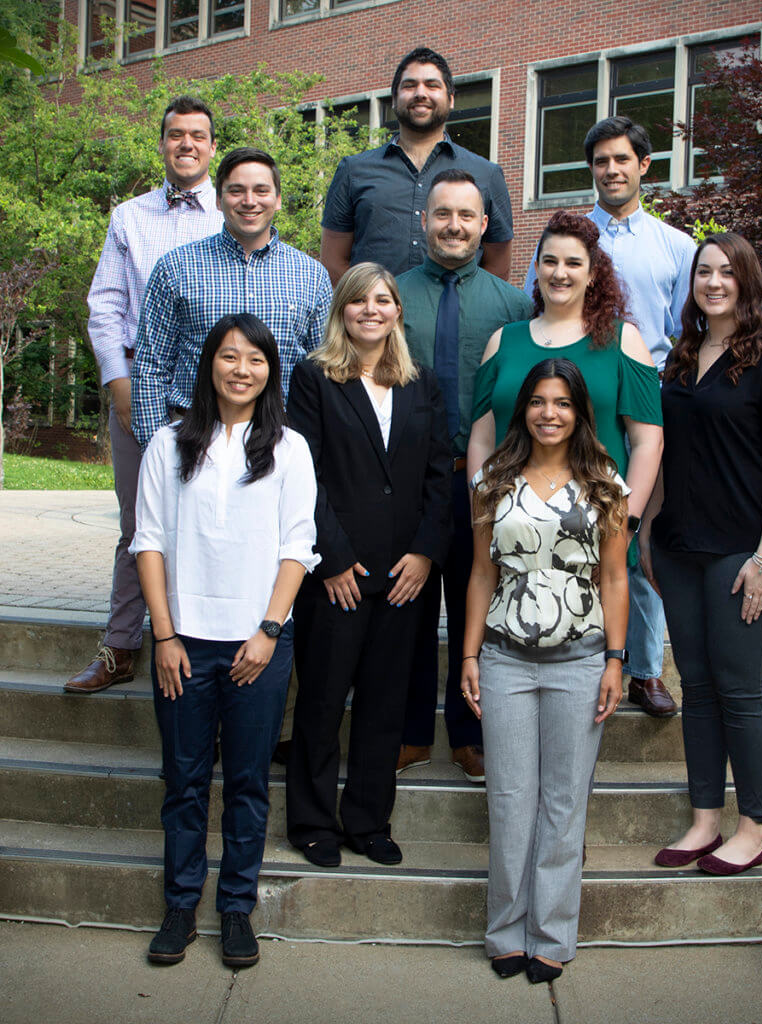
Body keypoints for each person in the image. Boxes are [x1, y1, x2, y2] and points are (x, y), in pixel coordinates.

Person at [131, 313, 319, 967]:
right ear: (209, 363)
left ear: (271, 371)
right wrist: (163, 635)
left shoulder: (289, 449)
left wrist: (268, 631)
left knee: (245, 783)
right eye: (230, 357)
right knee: (182, 781)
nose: (242, 370)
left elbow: (298, 548)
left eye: (256, 360)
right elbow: (148, 542)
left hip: (257, 648)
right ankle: (180, 905)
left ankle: (236, 909)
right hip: (184, 644)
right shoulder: (168, 443)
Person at [643, 233, 762, 874]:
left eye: (726, 272)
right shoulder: (682, 360)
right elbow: (665, 456)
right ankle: (704, 820)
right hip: (681, 546)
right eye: (703, 272)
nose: (713, 282)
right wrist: (648, 532)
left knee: (740, 690)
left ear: (747, 281)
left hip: (743, 551)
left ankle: (754, 827)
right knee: (699, 688)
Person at [462, 358, 629, 982]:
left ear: (579, 411)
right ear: (523, 409)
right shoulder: (494, 480)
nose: (549, 413)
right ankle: (505, 931)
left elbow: (614, 576)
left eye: (561, 402)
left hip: (581, 660)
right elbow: (482, 574)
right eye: (537, 401)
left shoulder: (605, 482)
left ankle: (552, 936)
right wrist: (471, 654)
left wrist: (617, 659)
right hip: (505, 658)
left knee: (564, 803)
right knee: (509, 798)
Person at [524, 116, 696, 717]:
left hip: (641, 398)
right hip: (566, 397)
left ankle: (644, 666)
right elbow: (536, 308)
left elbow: (685, 333)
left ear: (644, 166)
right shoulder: (566, 240)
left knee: (633, 535)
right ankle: (556, 643)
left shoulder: (676, 246)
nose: (611, 171)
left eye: (622, 159)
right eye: (600, 162)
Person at [285, 263, 451, 869]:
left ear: (398, 311)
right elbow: (304, 477)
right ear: (342, 310)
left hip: (405, 577)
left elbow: (440, 475)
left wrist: (427, 553)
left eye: (383, 301)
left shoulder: (422, 385)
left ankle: (368, 820)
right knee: (323, 702)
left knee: (385, 705)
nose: (371, 311)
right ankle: (310, 820)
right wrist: (331, 559)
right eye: (359, 301)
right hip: (337, 577)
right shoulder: (313, 379)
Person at [66, 96, 223, 694]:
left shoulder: (232, 210)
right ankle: (121, 646)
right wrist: (117, 381)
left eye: (198, 136)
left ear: (212, 146)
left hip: (215, 391)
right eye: (175, 135)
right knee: (140, 521)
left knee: (212, 519)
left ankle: (203, 643)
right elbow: (104, 304)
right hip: (140, 384)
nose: (186, 144)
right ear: (161, 144)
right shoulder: (129, 217)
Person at [395, 169, 534, 783]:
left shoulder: (513, 307)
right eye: (442, 213)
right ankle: (410, 732)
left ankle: (470, 734)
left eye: (466, 216)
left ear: (484, 225)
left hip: (485, 481)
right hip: (408, 484)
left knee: (479, 607)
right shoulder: (390, 297)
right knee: (412, 613)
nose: (454, 225)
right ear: (423, 221)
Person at [468, 211, 662, 636]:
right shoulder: (503, 341)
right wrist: (484, 515)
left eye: (573, 263)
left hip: (594, 537)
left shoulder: (623, 340)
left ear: (594, 274)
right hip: (514, 536)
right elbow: (481, 438)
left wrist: (627, 525)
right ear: (536, 269)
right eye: (549, 261)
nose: (560, 273)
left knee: (593, 662)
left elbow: (648, 443)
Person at [131, 147, 331, 449]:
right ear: (218, 199)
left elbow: (326, 372)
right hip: (194, 439)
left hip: (281, 442)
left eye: (261, 191)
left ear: (277, 200)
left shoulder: (311, 275)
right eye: (236, 191)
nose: (249, 201)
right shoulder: (176, 268)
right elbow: (150, 367)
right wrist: (158, 451)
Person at [320, 47, 514, 283]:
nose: (420, 93)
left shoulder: (486, 174)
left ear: (451, 99)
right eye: (410, 85)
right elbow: (333, 261)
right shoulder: (353, 171)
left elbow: (498, 265)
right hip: (376, 318)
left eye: (432, 85)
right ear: (394, 99)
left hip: (456, 318)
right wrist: (370, 306)